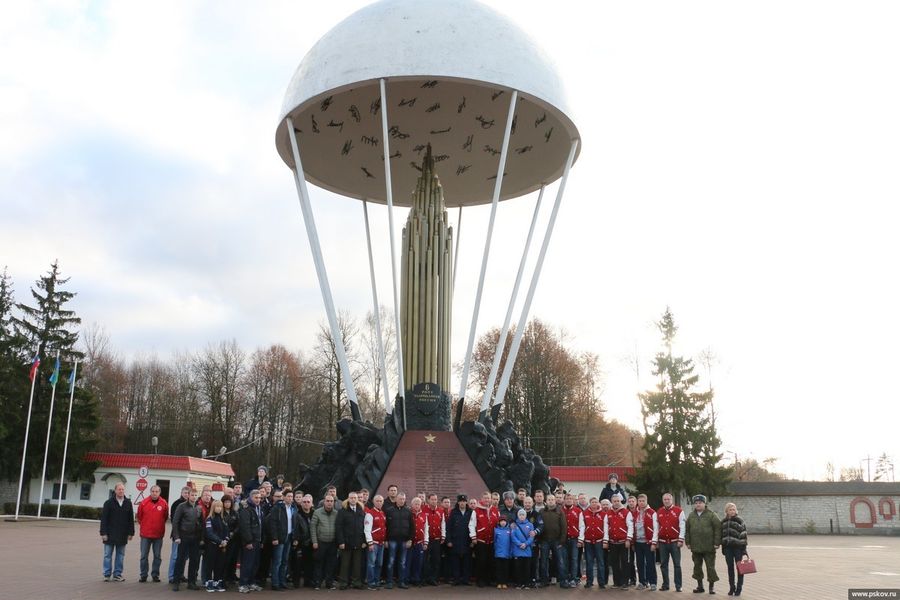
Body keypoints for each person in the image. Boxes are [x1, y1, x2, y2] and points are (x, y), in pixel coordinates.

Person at [684, 494, 722, 595]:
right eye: (696, 503)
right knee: (697, 567)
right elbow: (687, 530)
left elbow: (718, 528)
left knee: (710, 567)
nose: (698, 505)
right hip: (695, 547)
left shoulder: (711, 515)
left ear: (705, 504)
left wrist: (717, 542)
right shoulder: (691, 515)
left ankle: (711, 587)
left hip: (709, 547)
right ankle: (700, 586)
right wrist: (687, 542)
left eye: (700, 503)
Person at [100, 482, 134, 582]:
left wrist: (131, 533)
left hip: (122, 534)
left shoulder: (128, 503)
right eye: (119, 489)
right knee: (107, 555)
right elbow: (104, 519)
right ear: (115, 491)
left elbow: (130, 519)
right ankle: (106, 574)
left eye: (123, 489)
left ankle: (117, 574)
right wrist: (103, 533)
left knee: (120, 556)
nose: (121, 491)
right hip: (109, 534)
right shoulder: (108, 503)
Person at [172, 488, 203, 591]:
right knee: (180, 560)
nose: (194, 497)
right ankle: (176, 582)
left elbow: (201, 523)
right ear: (188, 496)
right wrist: (176, 536)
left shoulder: (199, 508)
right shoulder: (181, 506)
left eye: (195, 495)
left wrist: (201, 538)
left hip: (195, 538)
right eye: (192, 495)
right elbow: (175, 522)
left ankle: (191, 582)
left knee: (194, 560)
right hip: (183, 537)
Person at [136, 484, 169, 583]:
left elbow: (165, 517)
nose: (154, 493)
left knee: (157, 556)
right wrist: (145, 526)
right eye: (153, 491)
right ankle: (143, 575)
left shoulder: (164, 503)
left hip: (158, 535)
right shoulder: (143, 503)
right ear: (150, 492)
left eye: (156, 491)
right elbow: (139, 517)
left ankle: (155, 575)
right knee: (143, 556)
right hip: (145, 535)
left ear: (159, 493)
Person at [336, 491, 367, 590]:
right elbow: (339, 527)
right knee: (345, 564)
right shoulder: (342, 511)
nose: (353, 499)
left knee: (357, 564)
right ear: (348, 499)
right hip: (346, 542)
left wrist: (364, 541)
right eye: (351, 498)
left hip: (359, 542)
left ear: (357, 499)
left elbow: (365, 527)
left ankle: (356, 582)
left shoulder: (361, 511)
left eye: (355, 498)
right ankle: (343, 583)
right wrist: (341, 542)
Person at [603, 493, 634, 590]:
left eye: (618, 501)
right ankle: (617, 582)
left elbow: (630, 527)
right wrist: (606, 541)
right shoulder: (608, 514)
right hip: (612, 542)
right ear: (611, 502)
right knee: (614, 563)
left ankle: (625, 582)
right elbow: (605, 528)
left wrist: (628, 539)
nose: (616, 503)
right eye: (614, 501)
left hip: (624, 542)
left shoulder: (626, 512)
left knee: (625, 563)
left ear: (621, 501)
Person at [268, 488, 297, 591]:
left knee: (285, 561)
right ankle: (275, 583)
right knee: (277, 561)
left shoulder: (293, 508)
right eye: (288, 496)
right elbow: (273, 523)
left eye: (291, 497)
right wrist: (274, 537)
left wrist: (295, 537)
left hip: (289, 537)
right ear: (284, 497)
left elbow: (295, 523)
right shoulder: (277, 508)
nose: (290, 498)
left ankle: (282, 581)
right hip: (279, 538)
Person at [657, 492, 687, 592]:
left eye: (668, 499)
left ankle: (678, 585)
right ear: (662, 500)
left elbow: (682, 526)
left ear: (672, 500)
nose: (666, 501)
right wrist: (656, 540)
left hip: (675, 542)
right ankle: (665, 585)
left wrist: (681, 539)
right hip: (662, 542)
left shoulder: (679, 511)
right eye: (664, 499)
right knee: (663, 564)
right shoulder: (659, 511)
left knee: (677, 564)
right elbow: (656, 527)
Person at [539, 494, 570, 587]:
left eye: (552, 499)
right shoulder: (541, 511)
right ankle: (544, 580)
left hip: (557, 541)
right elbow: (538, 526)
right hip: (544, 541)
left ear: (555, 501)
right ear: (546, 500)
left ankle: (563, 581)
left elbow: (564, 527)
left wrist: (562, 541)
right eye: (549, 499)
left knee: (560, 561)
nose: (551, 501)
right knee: (544, 562)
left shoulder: (560, 511)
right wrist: (540, 541)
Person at [384, 491, 414, 589]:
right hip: (392, 540)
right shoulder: (389, 510)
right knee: (391, 561)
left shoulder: (408, 511)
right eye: (400, 499)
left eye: (403, 499)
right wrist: (386, 540)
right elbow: (385, 527)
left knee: (402, 562)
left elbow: (412, 527)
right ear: (396, 499)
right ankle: (389, 582)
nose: (402, 501)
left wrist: (410, 539)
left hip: (404, 540)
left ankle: (401, 582)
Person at [238, 489, 264, 594]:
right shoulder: (246, 509)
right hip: (250, 541)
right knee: (247, 563)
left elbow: (261, 524)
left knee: (255, 563)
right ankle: (243, 584)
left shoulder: (259, 508)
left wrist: (262, 539)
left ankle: (251, 582)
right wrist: (248, 541)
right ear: (251, 497)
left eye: (259, 498)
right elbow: (245, 526)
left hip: (258, 540)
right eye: (256, 498)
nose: (258, 500)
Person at [311, 494, 340, 590]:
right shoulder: (317, 512)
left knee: (331, 564)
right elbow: (313, 528)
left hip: (332, 543)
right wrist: (314, 541)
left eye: (331, 501)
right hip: (320, 542)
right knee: (318, 563)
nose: (329, 503)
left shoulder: (336, 513)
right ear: (324, 501)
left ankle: (329, 583)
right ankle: (317, 583)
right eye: (328, 501)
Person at [446, 494, 476, 586]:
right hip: (455, 541)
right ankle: (456, 579)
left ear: (466, 502)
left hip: (467, 541)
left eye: (464, 501)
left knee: (467, 562)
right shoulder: (453, 512)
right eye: (461, 501)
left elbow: (474, 526)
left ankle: (466, 579)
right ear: (458, 502)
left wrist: (472, 541)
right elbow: (449, 527)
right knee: (455, 561)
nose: (462, 503)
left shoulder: (471, 512)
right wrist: (449, 540)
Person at [721, 502, 749, 597]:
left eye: (734, 509)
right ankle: (731, 587)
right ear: (726, 511)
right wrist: (723, 547)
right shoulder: (723, 522)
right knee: (730, 568)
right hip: (728, 548)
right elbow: (722, 535)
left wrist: (744, 549)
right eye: (730, 509)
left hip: (738, 548)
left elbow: (744, 535)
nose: (732, 511)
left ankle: (739, 587)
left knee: (739, 568)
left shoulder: (740, 520)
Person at [633, 493, 659, 591]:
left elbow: (656, 528)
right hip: (638, 542)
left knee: (650, 563)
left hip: (648, 542)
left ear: (646, 501)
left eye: (643, 501)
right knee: (639, 563)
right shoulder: (634, 513)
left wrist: (654, 542)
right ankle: (642, 582)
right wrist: (632, 542)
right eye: (639, 501)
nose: (641, 502)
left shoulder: (652, 512)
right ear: (638, 502)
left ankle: (653, 582)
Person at [473, 491, 498, 587]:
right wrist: (473, 537)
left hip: (492, 541)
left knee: (491, 561)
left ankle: (489, 580)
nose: (487, 500)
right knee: (481, 561)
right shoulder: (476, 510)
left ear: (490, 499)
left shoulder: (495, 510)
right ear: (482, 499)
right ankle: (480, 580)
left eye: (488, 498)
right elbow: (472, 525)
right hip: (481, 541)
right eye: (485, 498)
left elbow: (498, 524)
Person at [204, 499, 230, 592]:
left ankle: (217, 583)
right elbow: (209, 533)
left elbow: (227, 532)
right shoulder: (209, 519)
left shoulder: (224, 519)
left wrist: (225, 541)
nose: (219, 508)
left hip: (222, 546)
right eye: (217, 506)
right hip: (212, 546)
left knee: (219, 565)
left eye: (220, 507)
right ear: (213, 507)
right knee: (210, 565)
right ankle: (209, 583)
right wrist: (220, 542)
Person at [168, 486, 191, 584]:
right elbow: (174, 521)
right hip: (177, 534)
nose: (186, 494)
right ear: (181, 493)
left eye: (188, 493)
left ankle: (180, 574)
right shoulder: (176, 504)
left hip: (188, 536)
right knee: (175, 556)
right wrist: (177, 534)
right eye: (185, 492)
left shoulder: (192, 504)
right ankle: (172, 576)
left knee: (184, 557)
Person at [582, 496, 606, 589]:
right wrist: (582, 539)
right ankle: (589, 581)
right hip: (588, 542)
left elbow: (605, 528)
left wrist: (605, 540)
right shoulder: (584, 513)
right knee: (589, 562)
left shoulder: (603, 514)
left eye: (596, 502)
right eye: (592, 502)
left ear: (598, 503)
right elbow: (582, 527)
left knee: (601, 562)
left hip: (599, 541)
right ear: (590, 503)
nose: (594, 504)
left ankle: (601, 582)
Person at [364, 494, 387, 590]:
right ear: (373, 502)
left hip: (381, 543)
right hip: (373, 543)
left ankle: (377, 581)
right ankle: (370, 582)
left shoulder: (382, 513)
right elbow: (367, 529)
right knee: (371, 564)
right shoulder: (370, 514)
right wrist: (370, 543)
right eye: (377, 501)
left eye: (381, 501)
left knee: (379, 563)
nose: (379, 502)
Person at [562, 493, 584, 588]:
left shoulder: (578, 511)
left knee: (574, 559)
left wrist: (580, 539)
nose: (569, 500)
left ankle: (574, 579)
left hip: (574, 539)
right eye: (567, 498)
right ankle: (566, 578)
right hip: (563, 540)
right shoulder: (560, 510)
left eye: (570, 498)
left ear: (573, 500)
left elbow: (582, 526)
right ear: (564, 499)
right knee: (565, 560)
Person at [423, 493, 445, 586]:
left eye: (435, 499)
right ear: (428, 500)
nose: (434, 501)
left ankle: (434, 578)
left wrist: (443, 536)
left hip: (437, 539)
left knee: (436, 560)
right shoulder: (423, 510)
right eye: (432, 499)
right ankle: (424, 578)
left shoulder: (440, 511)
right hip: (427, 540)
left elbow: (443, 524)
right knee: (425, 560)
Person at [294, 494, 316, 588]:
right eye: (304, 502)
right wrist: (296, 539)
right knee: (297, 564)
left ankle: (308, 581)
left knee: (310, 563)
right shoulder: (296, 514)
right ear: (301, 503)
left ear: (311, 504)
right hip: (300, 542)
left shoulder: (315, 514)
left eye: (308, 502)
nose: (306, 504)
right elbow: (295, 528)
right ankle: (296, 582)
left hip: (312, 542)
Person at [511, 508, 535, 589]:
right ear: (518, 515)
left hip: (527, 550)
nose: (521, 516)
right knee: (518, 568)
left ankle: (526, 583)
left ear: (525, 516)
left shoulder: (530, 525)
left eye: (523, 514)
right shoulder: (514, 525)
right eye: (520, 515)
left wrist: (525, 544)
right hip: (517, 550)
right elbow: (513, 536)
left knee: (526, 568)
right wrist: (519, 544)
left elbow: (531, 537)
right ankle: (519, 583)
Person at [409, 496, 430, 586]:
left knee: (418, 562)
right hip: (410, 542)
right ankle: (408, 579)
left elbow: (426, 529)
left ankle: (416, 579)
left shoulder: (424, 515)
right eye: (415, 504)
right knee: (409, 561)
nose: (417, 505)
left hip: (419, 543)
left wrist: (425, 542)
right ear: (412, 504)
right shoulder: (408, 514)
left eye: (419, 504)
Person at [221, 495, 241, 586]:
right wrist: (227, 534)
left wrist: (234, 532)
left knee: (233, 559)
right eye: (225, 502)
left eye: (229, 502)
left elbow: (238, 525)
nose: (227, 504)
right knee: (225, 560)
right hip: (224, 540)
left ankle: (231, 577)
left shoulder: (235, 513)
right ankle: (223, 578)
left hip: (234, 540)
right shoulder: (220, 513)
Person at [493, 515, 513, 589]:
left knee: (505, 569)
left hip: (507, 553)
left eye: (504, 521)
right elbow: (495, 541)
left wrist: (510, 552)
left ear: (506, 522)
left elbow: (511, 542)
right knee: (499, 569)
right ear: (499, 522)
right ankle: (499, 582)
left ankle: (505, 582)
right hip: (498, 553)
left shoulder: (509, 530)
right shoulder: (496, 530)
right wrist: (495, 550)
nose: (503, 522)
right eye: (501, 521)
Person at [626, 495, 638, 586]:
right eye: (629, 501)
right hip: (630, 541)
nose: (631, 503)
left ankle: (644, 580)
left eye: (632, 501)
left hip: (640, 540)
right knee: (630, 562)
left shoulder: (640, 512)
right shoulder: (625, 513)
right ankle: (632, 579)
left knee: (642, 562)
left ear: (636, 502)